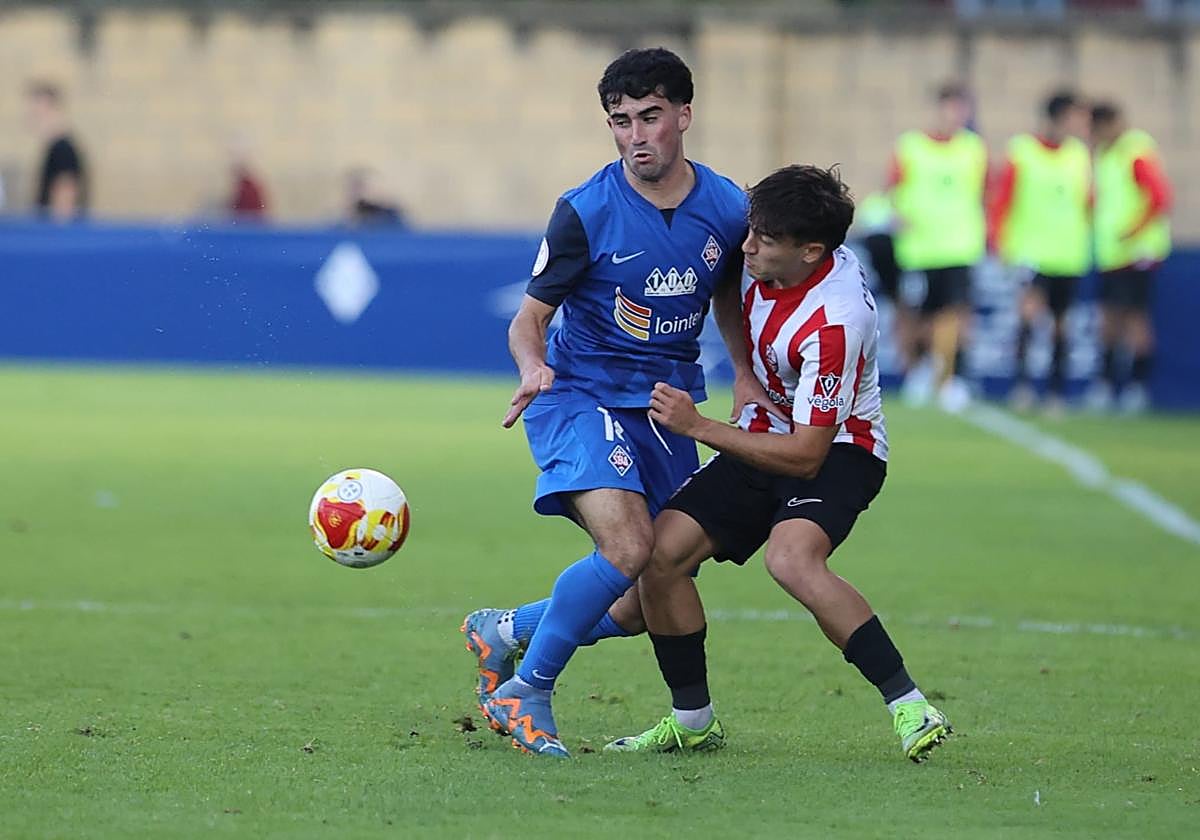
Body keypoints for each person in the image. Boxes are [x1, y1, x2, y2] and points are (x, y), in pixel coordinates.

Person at [461, 47, 757, 757]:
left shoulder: (726, 207)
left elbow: (726, 299)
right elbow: (527, 318)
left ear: (684, 115)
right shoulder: (585, 211)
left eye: (649, 117)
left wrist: (745, 374)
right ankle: (526, 691)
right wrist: (532, 366)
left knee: (638, 599)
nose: (635, 136)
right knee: (626, 547)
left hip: (665, 408)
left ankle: (502, 630)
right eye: (620, 122)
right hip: (579, 395)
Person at [603, 164, 951, 762]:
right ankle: (692, 723)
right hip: (764, 430)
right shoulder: (763, 250)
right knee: (658, 558)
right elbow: (725, 289)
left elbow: (808, 454)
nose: (747, 246)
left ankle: (910, 704)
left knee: (790, 559)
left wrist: (699, 426)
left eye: (763, 239)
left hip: (842, 449)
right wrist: (741, 371)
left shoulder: (836, 320)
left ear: (811, 252)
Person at [989, 91, 1092, 413]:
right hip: (1031, 252)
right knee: (1028, 317)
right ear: (1060, 117)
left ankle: (1056, 392)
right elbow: (1003, 198)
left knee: (1062, 325)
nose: (1082, 123)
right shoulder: (1023, 151)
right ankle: (1022, 387)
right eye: (1077, 115)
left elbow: (1088, 201)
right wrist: (1000, 241)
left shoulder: (1079, 154)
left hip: (1068, 254)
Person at [889, 83, 988, 412]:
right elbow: (893, 186)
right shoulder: (912, 146)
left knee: (954, 313)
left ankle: (946, 377)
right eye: (951, 108)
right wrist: (900, 214)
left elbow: (984, 191)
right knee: (918, 316)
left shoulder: (974, 149)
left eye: (962, 110)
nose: (956, 116)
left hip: (959, 245)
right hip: (919, 248)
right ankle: (919, 370)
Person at [1087, 102, 1172, 414]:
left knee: (1136, 320)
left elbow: (1160, 197)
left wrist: (1132, 231)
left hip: (1137, 254)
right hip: (1111, 254)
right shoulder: (1103, 156)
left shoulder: (1134, 152)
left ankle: (1137, 388)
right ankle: (1107, 384)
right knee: (1109, 320)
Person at [25, 80, 88, 220]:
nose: (31, 120)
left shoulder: (63, 149)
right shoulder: (57, 148)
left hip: (54, 236)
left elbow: (65, 203)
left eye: (36, 114)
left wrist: (53, 236)